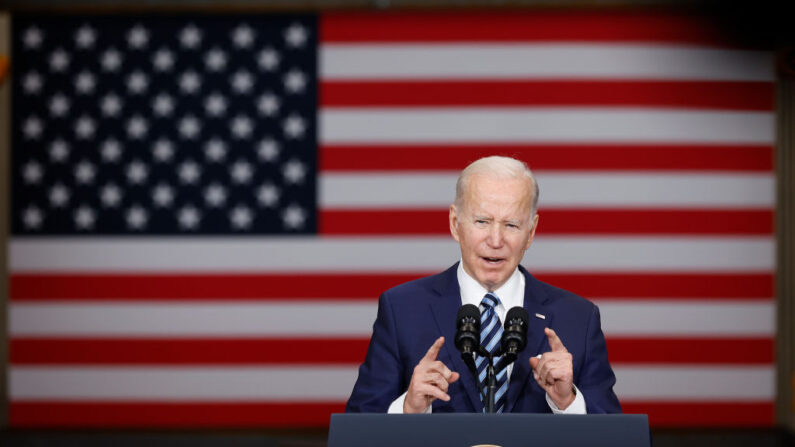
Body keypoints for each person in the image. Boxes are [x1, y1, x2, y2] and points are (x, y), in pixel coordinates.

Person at [345, 156, 621, 414]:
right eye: (482, 221)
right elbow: (354, 433)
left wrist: (569, 402)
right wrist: (409, 408)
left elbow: (619, 439)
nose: (496, 240)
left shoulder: (578, 318)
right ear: (455, 223)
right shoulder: (402, 309)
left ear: (531, 232)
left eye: (511, 225)